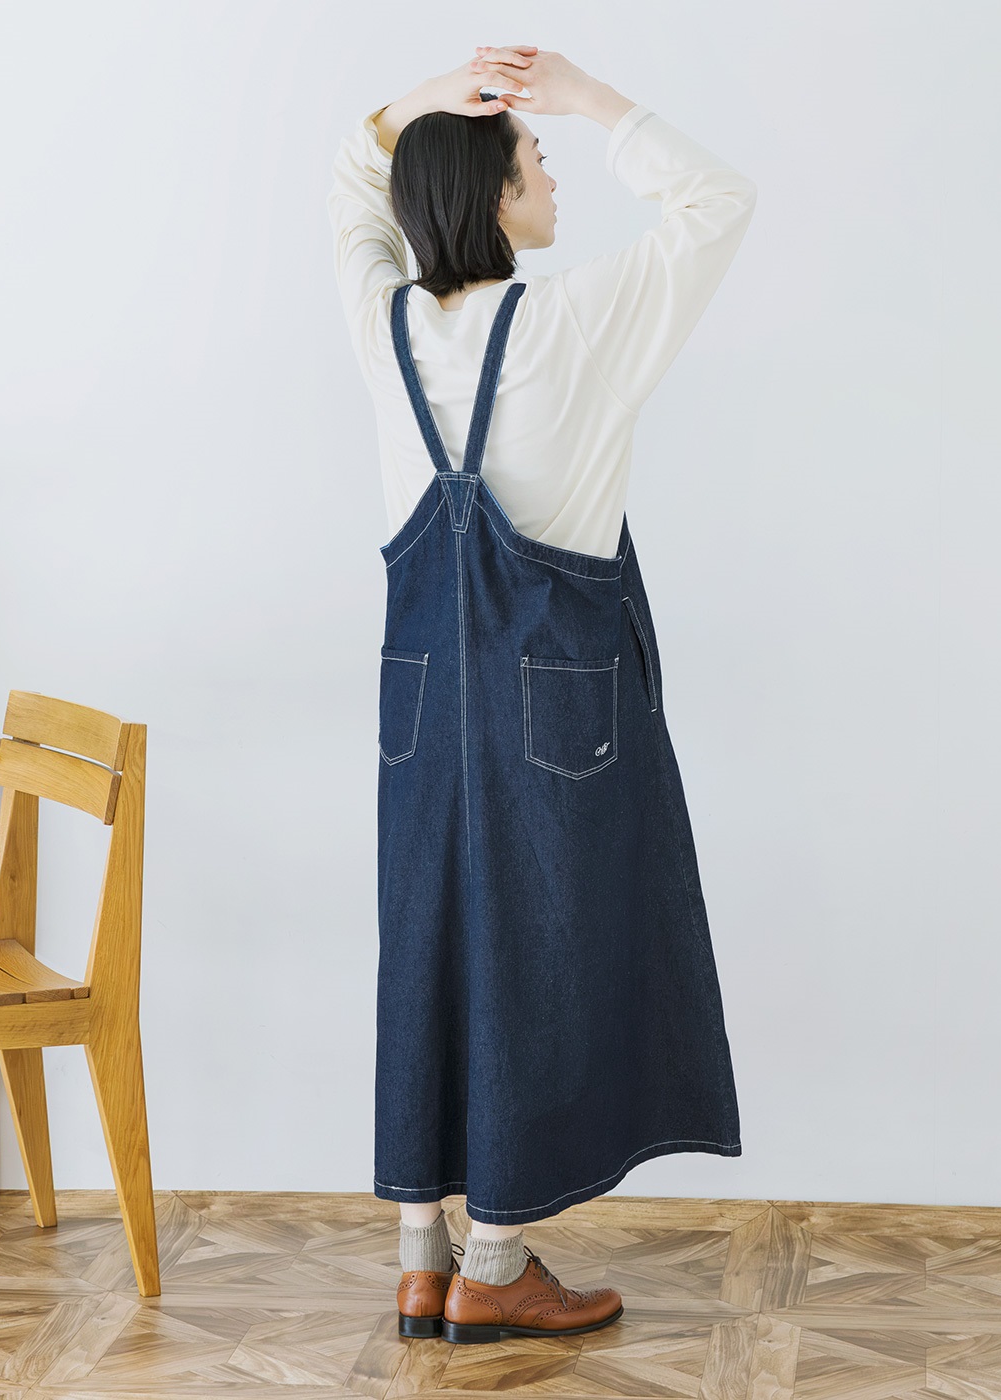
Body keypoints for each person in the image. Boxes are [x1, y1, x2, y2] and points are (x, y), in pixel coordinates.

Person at [329, 43, 758, 1345]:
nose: (554, 175)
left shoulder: (388, 325)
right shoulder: (574, 325)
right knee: (540, 955)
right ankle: (498, 1261)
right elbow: (718, 202)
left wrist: (422, 105)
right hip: (556, 702)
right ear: (495, 194)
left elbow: (352, 185)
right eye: (536, 157)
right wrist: (585, 94)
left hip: (421, 707)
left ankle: (423, 1255)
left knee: (429, 942)